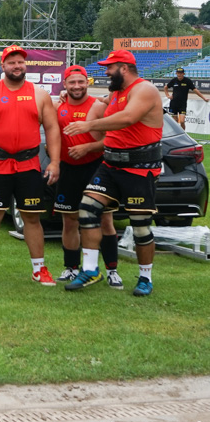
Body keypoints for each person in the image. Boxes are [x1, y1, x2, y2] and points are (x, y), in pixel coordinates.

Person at [63, 50, 163, 297]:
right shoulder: (116, 93)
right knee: (87, 208)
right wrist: (67, 97)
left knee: (140, 226)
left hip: (139, 167)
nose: (106, 72)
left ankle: (145, 278)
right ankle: (90, 270)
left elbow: (127, 118)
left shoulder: (145, 90)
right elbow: (100, 105)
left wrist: (89, 125)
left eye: (110, 67)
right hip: (110, 165)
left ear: (125, 68)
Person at [0, 45, 61, 285]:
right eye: (12, 62)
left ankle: (40, 269)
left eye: (21, 62)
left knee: (32, 218)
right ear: (3, 66)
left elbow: (52, 128)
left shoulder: (39, 94)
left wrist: (55, 162)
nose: (17, 66)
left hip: (28, 164)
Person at [53, 65, 121, 289]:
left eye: (81, 82)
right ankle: (72, 267)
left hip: (96, 168)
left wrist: (88, 147)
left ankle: (112, 270)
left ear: (87, 83)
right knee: (69, 221)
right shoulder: (58, 106)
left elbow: (112, 140)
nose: (76, 86)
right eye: (72, 82)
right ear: (65, 84)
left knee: (105, 220)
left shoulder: (99, 106)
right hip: (68, 170)